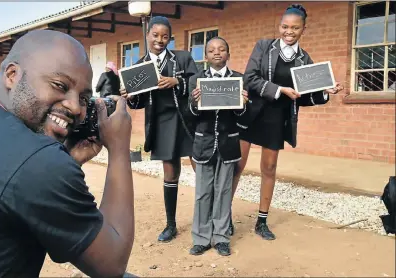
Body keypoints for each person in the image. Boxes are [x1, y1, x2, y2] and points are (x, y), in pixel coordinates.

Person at [0, 30, 135, 278]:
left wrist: (67, 160)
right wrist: (120, 148)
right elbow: (111, 263)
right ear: (12, 75)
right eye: (60, 86)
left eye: (83, 98)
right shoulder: (37, 161)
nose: (75, 107)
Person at [230, 4, 344, 241]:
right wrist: (280, 89)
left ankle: (261, 221)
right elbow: (250, 79)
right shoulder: (264, 46)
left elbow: (305, 96)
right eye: (284, 26)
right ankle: (224, 216)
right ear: (279, 26)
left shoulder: (305, 59)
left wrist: (325, 92)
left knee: (269, 169)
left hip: (277, 118)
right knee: (237, 166)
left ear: (304, 29)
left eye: (295, 27)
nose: (288, 31)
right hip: (251, 114)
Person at [120, 16, 198, 243]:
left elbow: (197, 79)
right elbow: (138, 102)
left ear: (170, 38)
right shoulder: (140, 66)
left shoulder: (182, 58)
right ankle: (171, 224)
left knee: (202, 170)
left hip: (187, 120)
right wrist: (131, 96)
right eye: (155, 35)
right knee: (170, 172)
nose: (160, 40)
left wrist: (177, 82)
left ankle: (213, 218)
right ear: (147, 36)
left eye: (165, 36)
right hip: (162, 123)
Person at [188, 37, 249, 256]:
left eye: (222, 49)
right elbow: (191, 115)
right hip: (204, 143)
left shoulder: (238, 80)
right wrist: (195, 103)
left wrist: (243, 104)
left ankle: (221, 237)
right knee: (202, 193)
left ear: (228, 55)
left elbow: (243, 118)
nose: (217, 53)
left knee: (223, 191)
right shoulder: (196, 80)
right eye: (212, 50)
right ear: (206, 56)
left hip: (229, 142)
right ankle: (201, 238)